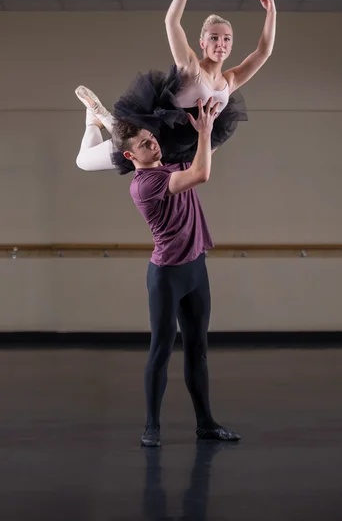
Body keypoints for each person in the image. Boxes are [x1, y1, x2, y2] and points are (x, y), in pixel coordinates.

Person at [112, 97, 241, 447]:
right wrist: (203, 135)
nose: (153, 143)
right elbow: (201, 173)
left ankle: (206, 424)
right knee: (161, 350)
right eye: (143, 144)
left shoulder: (169, 162)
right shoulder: (143, 185)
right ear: (130, 156)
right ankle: (152, 426)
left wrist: (206, 124)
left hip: (196, 268)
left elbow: (200, 154)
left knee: (198, 349)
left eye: (151, 138)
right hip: (167, 275)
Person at [75, 0, 276, 173]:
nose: (220, 43)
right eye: (214, 38)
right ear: (202, 43)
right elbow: (171, 22)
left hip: (181, 153)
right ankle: (96, 118)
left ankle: (100, 118)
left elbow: (263, 52)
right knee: (83, 161)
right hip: (152, 141)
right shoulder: (191, 68)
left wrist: (272, 12)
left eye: (226, 39)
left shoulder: (229, 82)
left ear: (231, 44)